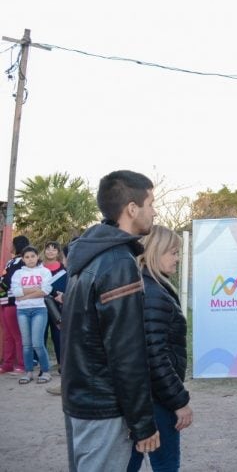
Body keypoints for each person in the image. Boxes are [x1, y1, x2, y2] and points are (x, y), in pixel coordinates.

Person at [61, 170, 160, 471]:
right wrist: (144, 423)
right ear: (132, 208)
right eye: (151, 203)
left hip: (82, 399)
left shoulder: (90, 255)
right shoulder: (117, 262)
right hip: (102, 405)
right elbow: (126, 352)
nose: (154, 211)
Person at [127, 225, 193, 472]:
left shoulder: (149, 286)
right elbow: (154, 356)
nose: (177, 258)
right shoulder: (152, 293)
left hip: (146, 396)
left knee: (130, 460)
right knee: (165, 464)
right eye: (173, 252)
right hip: (157, 398)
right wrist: (179, 401)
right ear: (155, 251)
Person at [10, 245, 53, 385]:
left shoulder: (45, 272)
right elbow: (15, 292)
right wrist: (35, 289)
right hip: (22, 311)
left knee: (38, 343)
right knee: (26, 344)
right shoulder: (18, 274)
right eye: (27, 257)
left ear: (37, 257)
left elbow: (45, 291)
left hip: (39, 310)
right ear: (23, 259)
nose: (30, 259)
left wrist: (24, 295)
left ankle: (46, 371)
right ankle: (28, 372)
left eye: (32, 256)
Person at [0, 235, 29, 375]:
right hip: (4, 301)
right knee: (8, 335)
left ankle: (22, 364)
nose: (10, 245)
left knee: (17, 335)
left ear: (18, 245)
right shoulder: (12, 261)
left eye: (13, 243)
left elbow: (8, 280)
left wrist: (2, 285)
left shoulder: (21, 262)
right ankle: (7, 364)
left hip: (13, 302)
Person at [42, 240, 67, 371]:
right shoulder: (39, 268)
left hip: (58, 306)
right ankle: (43, 365)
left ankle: (62, 363)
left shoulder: (64, 269)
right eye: (48, 249)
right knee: (42, 334)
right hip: (40, 305)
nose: (50, 251)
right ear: (44, 251)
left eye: (54, 249)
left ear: (58, 252)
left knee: (58, 334)